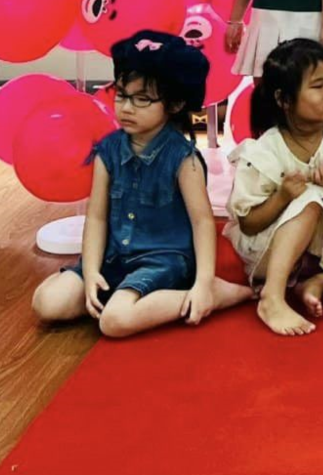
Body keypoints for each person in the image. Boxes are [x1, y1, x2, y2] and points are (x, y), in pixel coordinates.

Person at [32, 31, 251, 336]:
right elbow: (96, 217)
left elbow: (202, 223)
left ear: (174, 104)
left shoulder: (183, 159)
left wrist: (202, 282)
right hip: (113, 256)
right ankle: (119, 294)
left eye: (142, 99)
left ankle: (211, 293)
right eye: (122, 95)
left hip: (162, 260)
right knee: (47, 303)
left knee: (114, 321)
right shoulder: (108, 150)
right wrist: (91, 271)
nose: (126, 107)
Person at [228, 38, 323, 337]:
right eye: (318, 86)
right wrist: (282, 196)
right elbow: (248, 223)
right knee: (311, 197)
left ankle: (318, 282)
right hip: (272, 248)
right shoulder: (265, 150)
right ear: (284, 99)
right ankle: (272, 296)